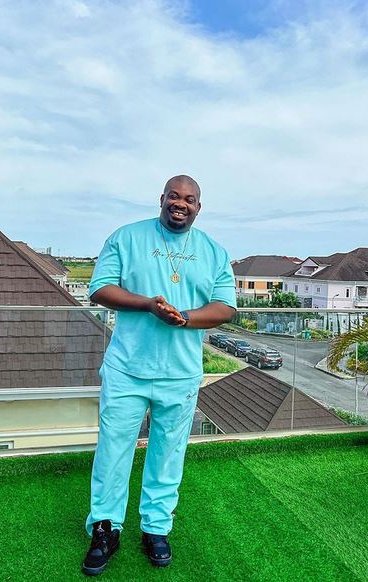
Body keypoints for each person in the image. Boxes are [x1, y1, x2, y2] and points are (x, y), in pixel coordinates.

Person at [82, 175, 236, 576]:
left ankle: (155, 528)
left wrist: (184, 318)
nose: (180, 203)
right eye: (174, 196)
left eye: (189, 199)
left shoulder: (214, 251)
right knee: (113, 450)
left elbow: (225, 307)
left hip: (180, 373)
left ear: (198, 207)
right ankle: (105, 528)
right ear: (162, 199)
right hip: (127, 369)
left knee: (168, 453)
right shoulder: (126, 237)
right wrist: (149, 305)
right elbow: (100, 288)